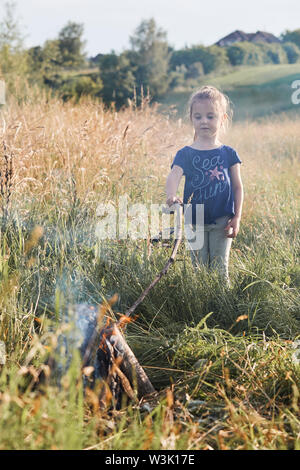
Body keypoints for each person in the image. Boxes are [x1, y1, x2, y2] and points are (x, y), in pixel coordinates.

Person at [165, 86, 243, 282]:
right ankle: (201, 305)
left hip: (222, 221)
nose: (204, 121)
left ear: (222, 118)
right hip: (194, 221)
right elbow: (174, 175)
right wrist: (171, 195)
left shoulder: (228, 153)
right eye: (198, 116)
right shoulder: (186, 153)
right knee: (198, 269)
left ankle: (221, 307)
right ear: (191, 118)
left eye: (210, 116)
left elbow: (237, 187)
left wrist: (237, 217)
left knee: (219, 268)